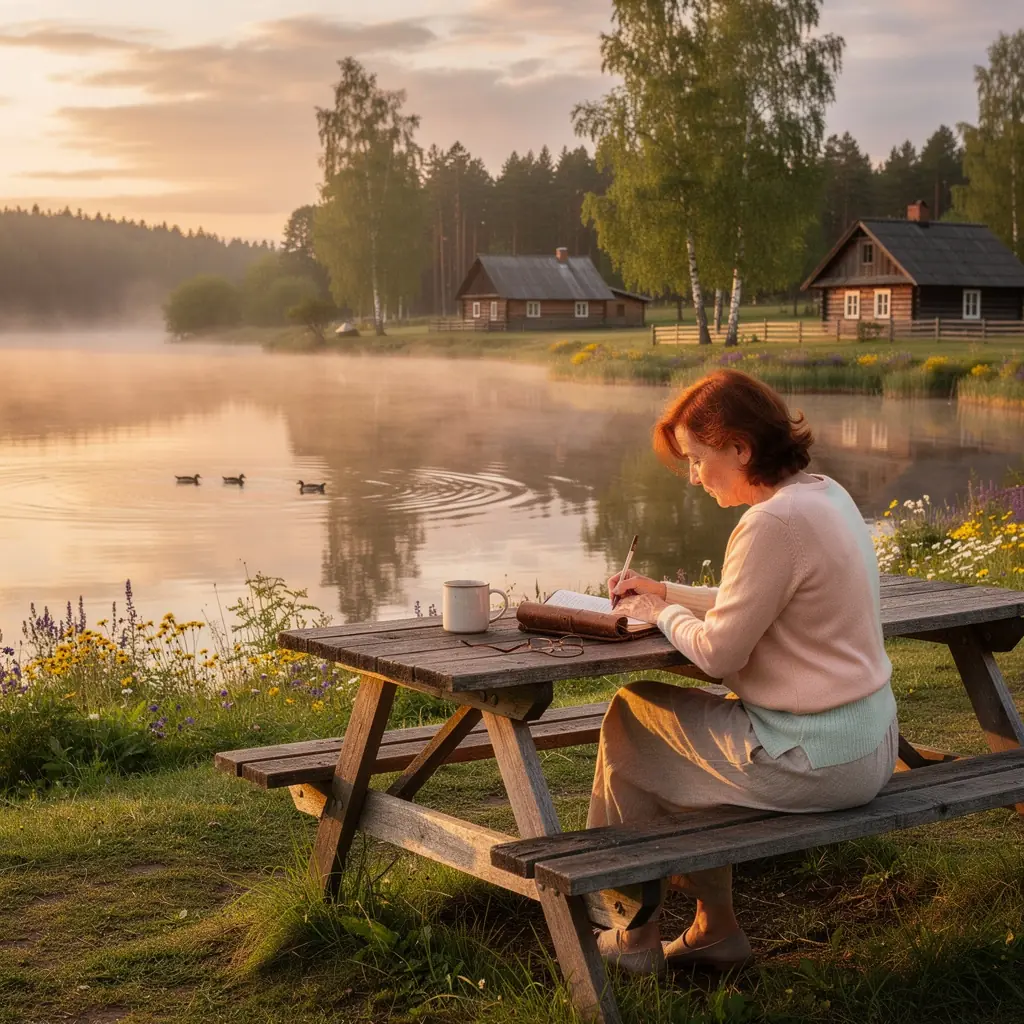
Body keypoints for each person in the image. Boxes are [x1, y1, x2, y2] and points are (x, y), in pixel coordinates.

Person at [593, 368, 898, 976]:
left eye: (698, 458)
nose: (694, 475)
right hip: (872, 741)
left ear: (739, 447)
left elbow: (718, 655)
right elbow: (756, 597)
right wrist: (663, 590)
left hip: (818, 760)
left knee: (630, 719)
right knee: (683, 748)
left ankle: (632, 939)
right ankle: (715, 932)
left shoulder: (769, 523)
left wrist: (659, 612)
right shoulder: (824, 494)